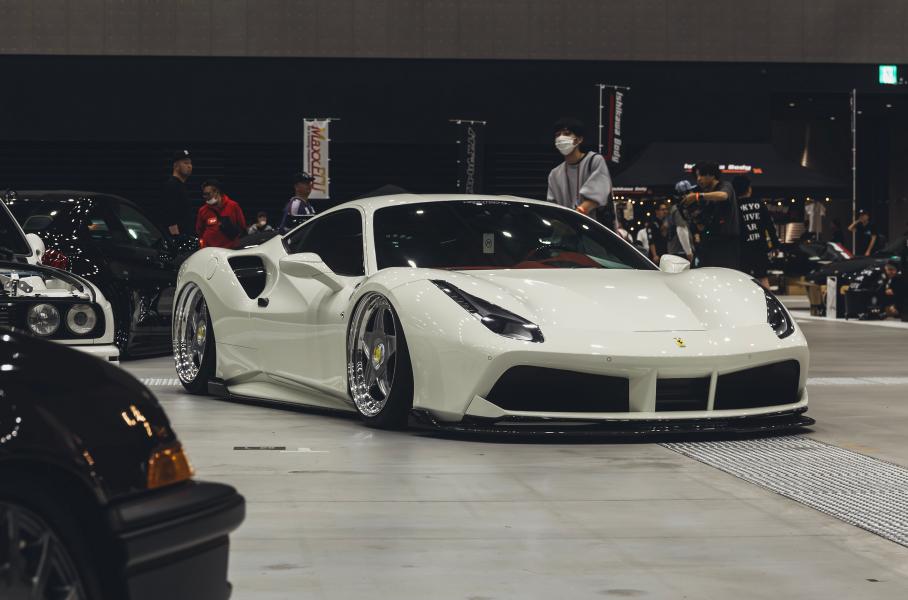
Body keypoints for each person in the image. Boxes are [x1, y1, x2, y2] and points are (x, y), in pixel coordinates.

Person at [546, 117, 614, 227]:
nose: (561, 138)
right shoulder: (554, 174)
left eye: (567, 133)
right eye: (557, 135)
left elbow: (596, 197)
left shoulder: (594, 161)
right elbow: (553, 207)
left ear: (579, 139)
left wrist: (577, 215)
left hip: (594, 229)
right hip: (568, 231)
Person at [681, 162, 739, 268]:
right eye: (697, 176)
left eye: (701, 175)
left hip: (726, 243)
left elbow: (723, 195)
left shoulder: (725, 185)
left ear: (711, 175)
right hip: (710, 241)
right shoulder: (706, 195)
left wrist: (697, 196)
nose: (698, 179)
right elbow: (702, 224)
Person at [733, 175, 780, 289]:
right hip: (760, 247)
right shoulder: (759, 204)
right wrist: (775, 245)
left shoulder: (734, 206)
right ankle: (765, 300)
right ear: (748, 189)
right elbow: (770, 226)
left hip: (742, 249)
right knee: (763, 278)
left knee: (743, 278)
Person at [196, 179, 246, 249]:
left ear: (217, 192)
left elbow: (242, 226)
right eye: (204, 194)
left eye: (208, 194)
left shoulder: (233, 206)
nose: (205, 197)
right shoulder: (202, 210)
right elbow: (199, 230)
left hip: (230, 250)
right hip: (210, 251)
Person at [161, 149, 193, 236]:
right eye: (185, 163)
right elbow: (170, 215)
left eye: (190, 163)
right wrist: (176, 237)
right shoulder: (172, 185)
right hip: (178, 238)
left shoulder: (181, 185)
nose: (189, 166)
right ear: (176, 166)